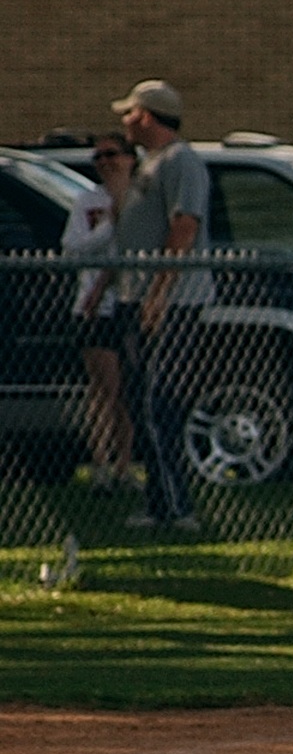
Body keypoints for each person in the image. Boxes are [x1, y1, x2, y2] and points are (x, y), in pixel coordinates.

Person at [110, 80, 213, 532]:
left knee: (160, 404)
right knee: (139, 402)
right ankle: (157, 504)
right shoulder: (148, 165)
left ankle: (177, 507)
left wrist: (159, 294)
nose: (124, 121)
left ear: (148, 116)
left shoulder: (181, 162)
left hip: (173, 303)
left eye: (130, 113)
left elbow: (184, 227)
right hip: (134, 298)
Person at [62, 135, 139, 491]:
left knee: (128, 389)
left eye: (112, 154)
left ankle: (125, 466)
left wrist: (122, 217)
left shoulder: (141, 197)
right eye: (98, 156)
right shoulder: (88, 201)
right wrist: (109, 225)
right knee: (104, 387)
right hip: (92, 308)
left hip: (129, 302)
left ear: (130, 158)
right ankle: (100, 465)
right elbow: (74, 247)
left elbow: (136, 245)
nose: (105, 162)